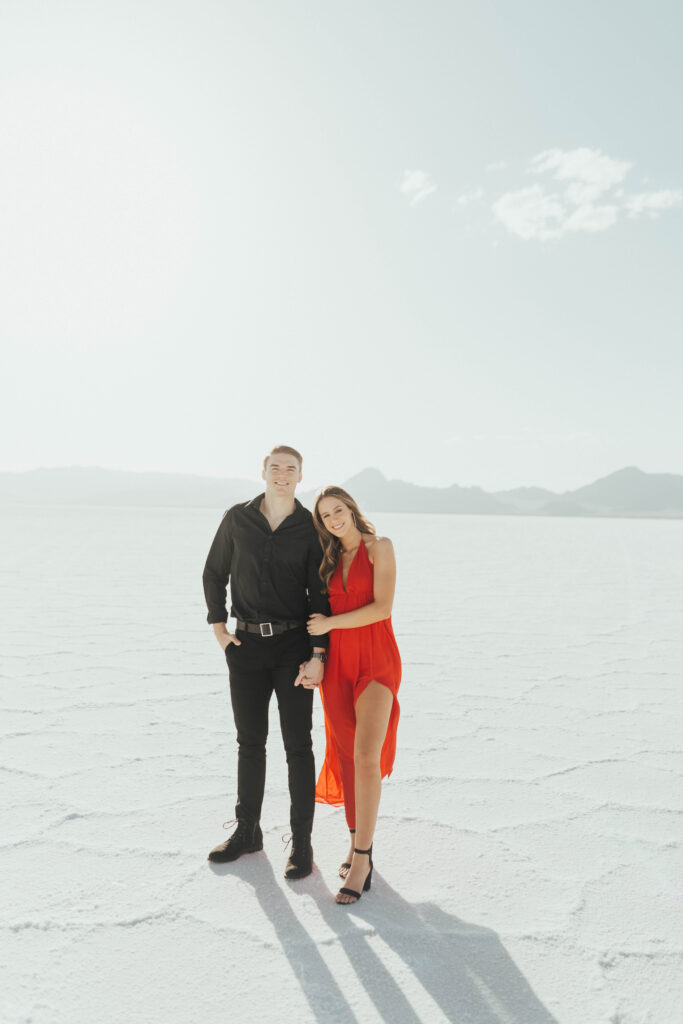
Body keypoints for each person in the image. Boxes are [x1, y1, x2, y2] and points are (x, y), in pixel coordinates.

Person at [202, 446, 330, 879]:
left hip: (294, 646)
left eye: (289, 469)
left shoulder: (310, 528)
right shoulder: (238, 518)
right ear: (263, 472)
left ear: (299, 476)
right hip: (247, 646)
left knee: (298, 747)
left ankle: (302, 844)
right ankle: (247, 832)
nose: (281, 475)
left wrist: (317, 654)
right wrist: (219, 627)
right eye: (275, 467)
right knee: (249, 742)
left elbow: (320, 594)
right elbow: (213, 572)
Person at [304, 486, 401, 904]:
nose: (333, 519)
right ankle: (354, 841)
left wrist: (330, 624)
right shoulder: (327, 560)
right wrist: (317, 655)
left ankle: (362, 858)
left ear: (352, 509)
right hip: (338, 667)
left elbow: (382, 607)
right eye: (325, 516)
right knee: (346, 759)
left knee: (366, 757)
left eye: (337, 510)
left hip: (377, 661)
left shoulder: (379, 547)